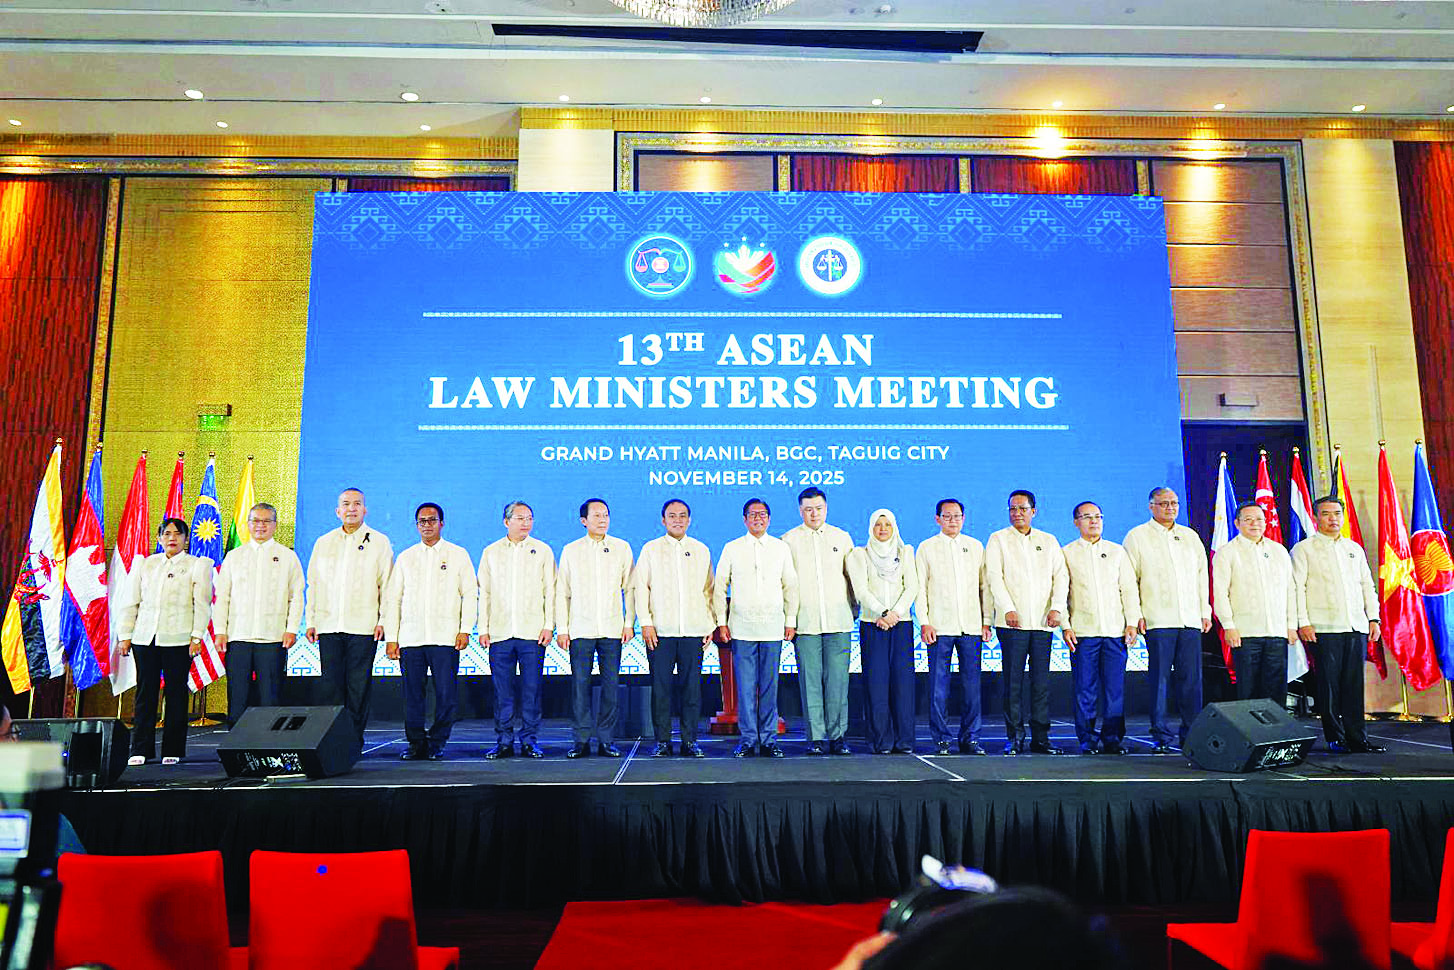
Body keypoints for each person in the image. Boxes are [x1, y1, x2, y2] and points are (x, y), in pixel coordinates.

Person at [382, 503, 476, 761]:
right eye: (422, 521)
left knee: (446, 695)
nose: (427, 525)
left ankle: (437, 742)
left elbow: (470, 594)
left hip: (445, 637)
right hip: (411, 638)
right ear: (416, 525)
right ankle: (415, 744)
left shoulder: (458, 554)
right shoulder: (406, 557)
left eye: (432, 520)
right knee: (412, 695)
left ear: (441, 524)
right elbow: (394, 599)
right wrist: (392, 638)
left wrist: (465, 629)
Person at [1292, 496, 1386, 753]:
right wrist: (1303, 622)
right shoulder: (1304, 549)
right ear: (1315, 518)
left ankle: (1358, 738)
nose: (1333, 518)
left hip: (1355, 626)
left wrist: (1373, 618)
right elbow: (1297, 588)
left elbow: (1367, 585)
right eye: (1326, 514)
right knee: (1329, 686)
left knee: (1354, 685)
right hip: (1323, 628)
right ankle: (1335, 737)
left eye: (1337, 513)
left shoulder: (1353, 548)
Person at [116, 517, 213, 766]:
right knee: (145, 694)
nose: (172, 538)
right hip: (145, 638)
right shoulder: (146, 564)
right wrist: (125, 635)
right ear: (159, 538)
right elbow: (130, 602)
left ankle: (173, 749)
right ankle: (140, 749)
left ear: (186, 539)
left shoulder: (197, 565)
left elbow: (202, 605)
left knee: (176, 694)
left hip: (179, 640)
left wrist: (197, 636)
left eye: (177, 534)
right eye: (167, 534)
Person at [304, 487, 394, 753]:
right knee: (330, 687)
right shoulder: (324, 542)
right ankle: (332, 741)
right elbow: (314, 584)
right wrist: (311, 620)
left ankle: (353, 741)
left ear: (365, 509)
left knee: (358, 687)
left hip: (363, 627)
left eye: (357, 504)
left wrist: (384, 620)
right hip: (328, 625)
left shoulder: (379, 541)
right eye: (346, 504)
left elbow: (387, 586)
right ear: (337, 511)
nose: (351, 508)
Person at [1123, 487, 1211, 753]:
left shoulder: (1190, 536)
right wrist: (1136, 615)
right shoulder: (1137, 536)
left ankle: (1192, 732)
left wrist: (1204, 611)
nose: (1170, 508)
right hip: (1158, 619)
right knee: (1159, 679)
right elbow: (1130, 580)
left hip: (1190, 619)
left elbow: (1201, 576)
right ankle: (1160, 733)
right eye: (1163, 503)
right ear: (1151, 506)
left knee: (1191, 680)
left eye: (1174, 503)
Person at [985, 489, 1068, 755]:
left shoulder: (1048, 540)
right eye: (1012, 509)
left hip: (1043, 623)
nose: (1017, 513)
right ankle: (1015, 737)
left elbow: (1061, 577)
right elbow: (994, 578)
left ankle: (1041, 738)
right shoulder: (998, 539)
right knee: (1013, 683)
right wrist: (1007, 608)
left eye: (1022, 508)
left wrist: (1057, 608)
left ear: (1034, 511)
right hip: (1012, 624)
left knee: (1041, 683)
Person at [714, 498, 799, 759]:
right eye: (752, 514)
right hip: (742, 629)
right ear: (744, 520)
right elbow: (720, 586)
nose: (757, 519)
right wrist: (721, 621)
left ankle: (769, 740)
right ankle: (749, 739)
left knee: (770, 687)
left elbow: (791, 585)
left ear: (769, 519)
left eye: (762, 514)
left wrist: (790, 620)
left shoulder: (780, 548)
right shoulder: (732, 548)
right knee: (746, 688)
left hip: (773, 628)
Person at [634, 498, 715, 758]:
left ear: (689, 520)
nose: (677, 520)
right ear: (663, 520)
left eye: (682, 516)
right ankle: (663, 741)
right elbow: (640, 588)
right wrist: (645, 623)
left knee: (692, 690)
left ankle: (690, 741)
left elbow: (709, 591)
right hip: (660, 632)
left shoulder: (701, 549)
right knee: (661, 690)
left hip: (693, 631)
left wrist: (709, 624)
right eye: (672, 515)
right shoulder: (650, 549)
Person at [213, 502, 304, 728]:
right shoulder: (234, 556)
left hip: (273, 637)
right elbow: (222, 597)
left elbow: (296, 597)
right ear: (248, 524)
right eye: (255, 521)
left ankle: (269, 742)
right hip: (238, 636)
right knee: (238, 695)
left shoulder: (287, 556)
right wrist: (220, 631)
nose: (260, 526)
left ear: (275, 525)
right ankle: (237, 740)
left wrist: (292, 629)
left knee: (270, 696)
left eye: (266, 521)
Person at [556, 498, 634, 758]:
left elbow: (630, 589)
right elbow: (562, 592)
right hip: (581, 629)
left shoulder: (622, 548)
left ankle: (606, 740)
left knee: (611, 687)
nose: (603, 520)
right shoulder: (571, 550)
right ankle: (580, 740)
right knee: (580, 687)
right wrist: (562, 628)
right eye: (597, 515)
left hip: (612, 629)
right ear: (584, 521)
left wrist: (629, 623)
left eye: (606, 515)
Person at [1061, 501, 1141, 755]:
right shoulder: (1066, 553)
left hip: (1115, 633)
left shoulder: (1117, 551)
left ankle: (1113, 738)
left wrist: (1132, 622)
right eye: (1087, 517)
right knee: (1085, 689)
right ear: (1076, 522)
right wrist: (1065, 625)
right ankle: (1086, 738)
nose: (1094, 521)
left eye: (1098, 516)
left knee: (1114, 689)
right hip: (1083, 633)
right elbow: (1061, 593)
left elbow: (1128, 589)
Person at [477, 500, 555, 759]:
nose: (526, 523)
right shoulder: (491, 552)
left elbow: (550, 592)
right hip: (500, 632)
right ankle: (504, 740)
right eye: (520, 518)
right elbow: (484, 593)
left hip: (532, 633)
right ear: (506, 521)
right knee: (503, 691)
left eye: (529, 518)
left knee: (532, 689)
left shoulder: (542, 550)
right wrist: (483, 627)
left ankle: (530, 740)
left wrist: (549, 625)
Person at [781, 487, 855, 756]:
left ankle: (838, 736)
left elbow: (852, 578)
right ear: (800, 511)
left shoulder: (841, 537)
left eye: (818, 509)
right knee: (810, 682)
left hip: (839, 620)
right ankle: (816, 738)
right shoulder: (788, 541)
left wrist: (853, 609)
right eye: (808, 509)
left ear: (826, 508)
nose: (814, 514)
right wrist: (789, 619)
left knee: (838, 682)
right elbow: (785, 584)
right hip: (805, 622)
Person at [916, 498, 992, 756]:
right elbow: (920, 589)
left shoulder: (975, 546)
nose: (952, 520)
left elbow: (984, 587)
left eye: (957, 516)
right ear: (937, 519)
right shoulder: (926, 548)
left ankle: (971, 738)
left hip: (971, 626)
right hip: (939, 627)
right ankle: (941, 740)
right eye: (947, 516)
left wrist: (986, 621)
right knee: (938, 688)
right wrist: (924, 621)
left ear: (964, 518)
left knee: (972, 688)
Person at [847, 509, 919, 754]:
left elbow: (912, 587)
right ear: (871, 528)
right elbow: (861, 590)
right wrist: (882, 612)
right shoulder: (859, 554)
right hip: (873, 624)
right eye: (878, 524)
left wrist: (894, 613)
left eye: (887, 524)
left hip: (901, 624)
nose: (883, 529)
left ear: (894, 527)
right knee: (876, 684)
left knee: (903, 684)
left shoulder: (905, 552)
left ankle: (904, 740)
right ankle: (881, 741)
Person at [1214, 501, 1298, 707]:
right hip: (1245, 634)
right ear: (1237, 523)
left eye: (1259, 519)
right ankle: (1250, 728)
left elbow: (1290, 590)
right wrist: (1228, 626)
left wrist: (1291, 625)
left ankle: (1276, 727)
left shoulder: (1279, 551)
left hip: (1277, 632)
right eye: (1248, 519)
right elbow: (1220, 593)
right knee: (1248, 690)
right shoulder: (1227, 552)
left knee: (1276, 690)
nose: (1255, 524)